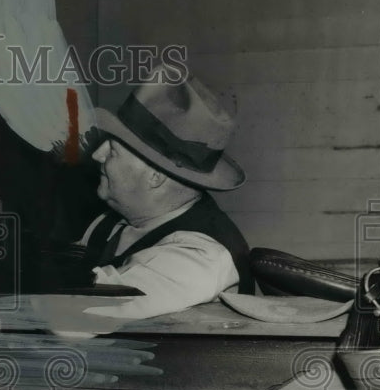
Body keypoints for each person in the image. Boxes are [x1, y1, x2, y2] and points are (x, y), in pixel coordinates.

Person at [76, 73, 254, 320]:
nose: (97, 155)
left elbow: (74, 314)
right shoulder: (109, 224)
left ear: (155, 176)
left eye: (113, 150)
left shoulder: (201, 257)